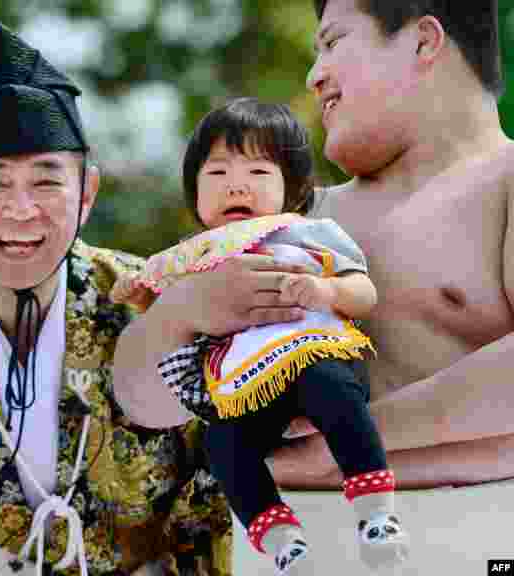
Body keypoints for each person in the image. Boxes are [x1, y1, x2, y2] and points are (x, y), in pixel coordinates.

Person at [114, 0, 514, 571]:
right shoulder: (288, 224)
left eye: (332, 42)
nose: (314, 74)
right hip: (289, 548)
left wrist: (344, 441)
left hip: (473, 545)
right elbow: (141, 402)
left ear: (423, 42)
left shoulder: (505, 181)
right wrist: (180, 311)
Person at [0, 23, 233, 576]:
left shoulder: (158, 301)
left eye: (47, 182)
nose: (22, 209)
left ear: (87, 192)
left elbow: (211, 501)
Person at [112, 98, 407, 575]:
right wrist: (140, 293)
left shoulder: (309, 232)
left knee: (332, 390)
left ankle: (376, 513)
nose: (236, 184)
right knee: (223, 444)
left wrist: (323, 290)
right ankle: (282, 541)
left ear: (292, 190)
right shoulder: (192, 255)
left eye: (257, 172)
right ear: (195, 194)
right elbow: (161, 310)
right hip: (246, 382)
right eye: (217, 173)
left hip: (316, 353)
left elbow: (364, 292)